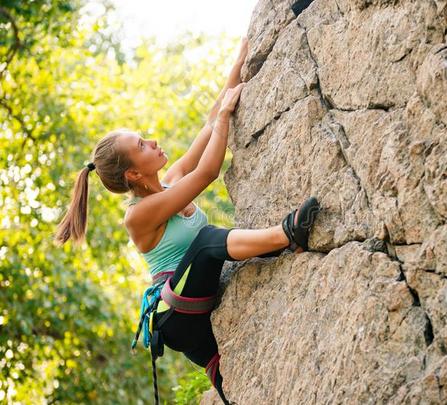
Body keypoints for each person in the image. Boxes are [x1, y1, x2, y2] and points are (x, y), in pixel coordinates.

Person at [54, 38, 321, 405]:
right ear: (132, 174)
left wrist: (241, 57)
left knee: (232, 385)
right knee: (208, 241)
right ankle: (288, 234)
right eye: (143, 145)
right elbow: (209, 170)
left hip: (194, 300)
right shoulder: (138, 216)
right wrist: (227, 116)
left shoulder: (172, 179)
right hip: (176, 314)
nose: (154, 140)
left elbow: (209, 124)